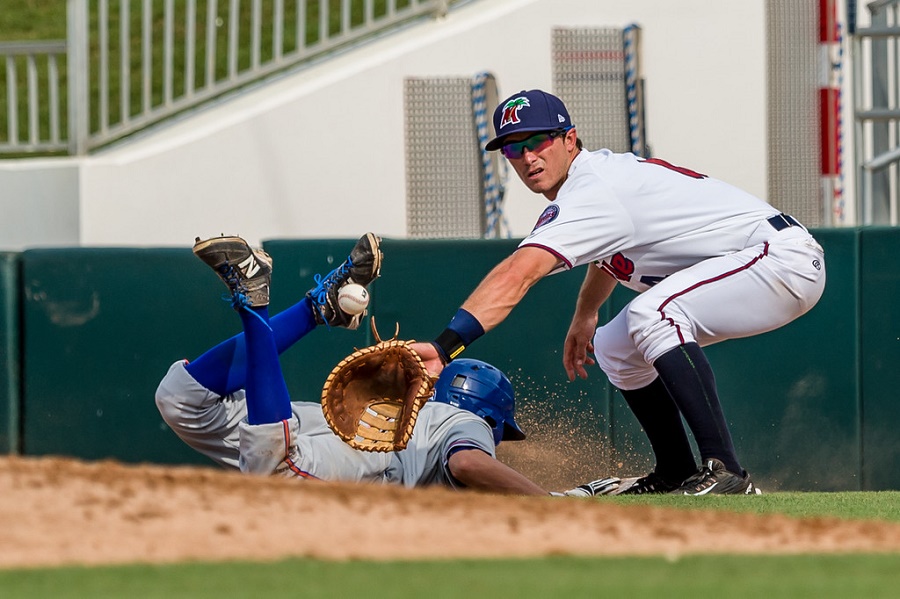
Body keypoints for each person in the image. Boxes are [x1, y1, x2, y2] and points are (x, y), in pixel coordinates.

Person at [412, 89, 827, 496]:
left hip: (780, 259)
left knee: (654, 314)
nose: (527, 156)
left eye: (537, 140)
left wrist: (446, 346)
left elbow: (518, 273)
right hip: (759, 262)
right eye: (513, 149)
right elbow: (609, 251)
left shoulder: (593, 190)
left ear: (569, 140)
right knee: (613, 346)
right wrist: (586, 313)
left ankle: (726, 471)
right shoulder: (592, 185)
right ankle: (675, 471)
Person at [155, 233, 551, 495]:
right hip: (373, 459)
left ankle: (316, 308)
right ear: (493, 418)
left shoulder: (417, 411)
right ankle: (255, 302)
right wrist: (546, 501)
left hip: (334, 428)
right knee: (275, 470)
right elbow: (466, 462)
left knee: (182, 399)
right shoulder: (466, 423)